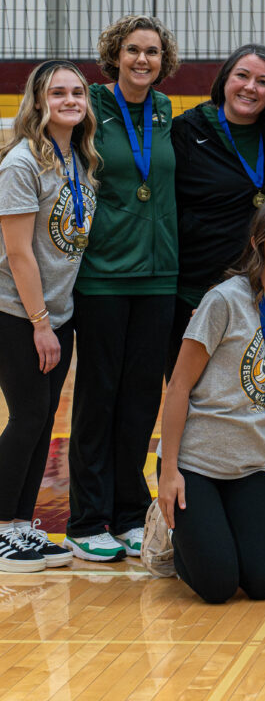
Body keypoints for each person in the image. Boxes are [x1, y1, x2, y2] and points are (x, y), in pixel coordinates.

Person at [143, 199, 265, 603]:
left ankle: (207, 537)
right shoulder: (223, 300)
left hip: (250, 467)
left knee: (262, 584)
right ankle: (170, 535)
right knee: (219, 587)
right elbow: (179, 386)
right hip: (197, 465)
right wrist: (170, 471)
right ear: (258, 242)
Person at [65, 16, 180, 563]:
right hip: (104, 276)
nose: (142, 60)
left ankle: (130, 513)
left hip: (159, 277)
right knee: (98, 397)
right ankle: (88, 518)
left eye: (152, 52)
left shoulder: (164, 110)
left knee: (140, 400)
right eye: (133, 50)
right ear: (115, 54)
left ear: (163, 60)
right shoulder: (87, 104)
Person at [0, 61, 98, 572]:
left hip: (58, 313)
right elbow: (18, 253)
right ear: (39, 102)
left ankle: (20, 526)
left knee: (40, 425)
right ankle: (0, 528)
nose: (69, 99)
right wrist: (40, 322)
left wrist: (56, 318)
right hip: (17, 311)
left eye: (77, 92)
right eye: (57, 92)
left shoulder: (78, 158)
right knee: (29, 416)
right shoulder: (21, 163)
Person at [170, 44, 265, 367]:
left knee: (252, 395)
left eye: (262, 81)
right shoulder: (187, 130)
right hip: (195, 294)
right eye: (241, 76)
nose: (250, 87)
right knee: (191, 397)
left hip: (262, 294)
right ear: (224, 79)